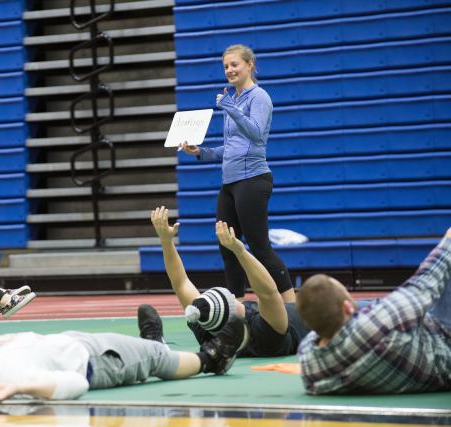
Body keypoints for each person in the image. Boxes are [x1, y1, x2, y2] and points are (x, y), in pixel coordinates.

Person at [0, 310, 248, 405]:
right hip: (99, 360)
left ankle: (151, 342)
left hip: (78, 346)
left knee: (145, 351)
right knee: (156, 359)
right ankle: (211, 359)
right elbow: (76, 383)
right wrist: (21, 388)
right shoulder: (12, 380)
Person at [179, 44, 292, 300]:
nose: (229, 70)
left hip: (252, 180)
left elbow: (256, 134)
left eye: (234, 65)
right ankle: (237, 309)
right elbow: (231, 148)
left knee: (260, 249)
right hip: (229, 184)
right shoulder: (235, 99)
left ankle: (291, 305)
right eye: (226, 66)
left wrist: (229, 107)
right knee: (227, 248)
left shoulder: (259, 97)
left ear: (250, 65)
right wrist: (201, 151)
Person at [296, 227, 451, 395]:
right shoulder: (380, 323)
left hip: (392, 364)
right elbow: (425, 282)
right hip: (443, 342)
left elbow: (317, 328)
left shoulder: (309, 362)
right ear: (347, 307)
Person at [149, 206, 308, 358]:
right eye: (228, 296)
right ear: (233, 313)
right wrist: (239, 251)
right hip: (316, 319)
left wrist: (166, 241)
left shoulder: (206, 325)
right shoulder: (265, 335)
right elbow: (269, 293)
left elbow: (181, 283)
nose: (232, 294)